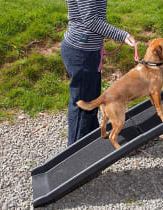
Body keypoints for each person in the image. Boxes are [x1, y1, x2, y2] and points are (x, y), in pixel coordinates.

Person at [61, 0, 136, 146]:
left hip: (89, 51)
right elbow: (90, 20)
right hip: (81, 53)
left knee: (92, 101)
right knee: (83, 105)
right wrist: (122, 35)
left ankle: (92, 144)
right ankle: (75, 154)